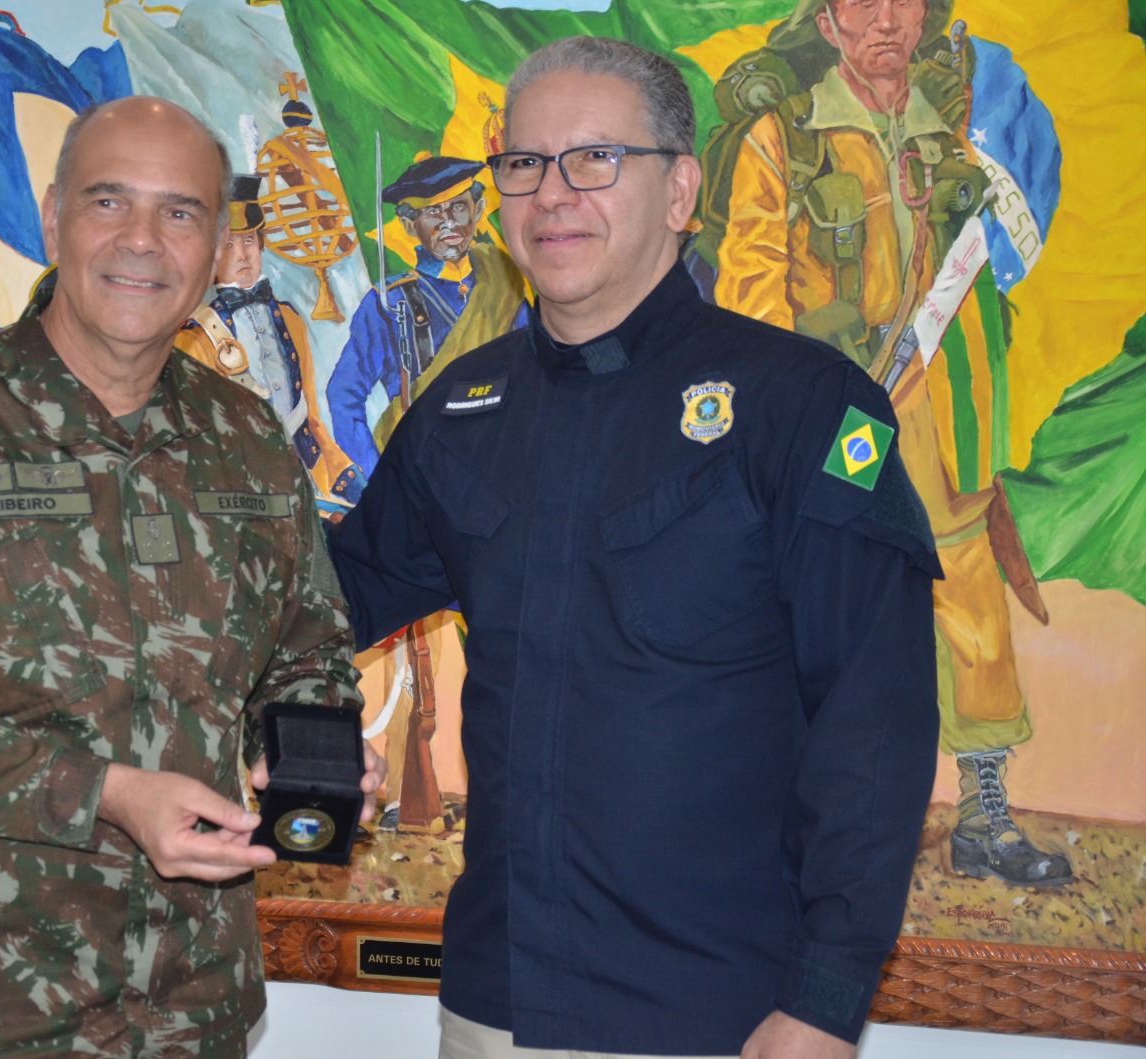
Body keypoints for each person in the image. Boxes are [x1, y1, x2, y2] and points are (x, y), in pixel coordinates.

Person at [328, 37, 941, 1058]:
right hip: (490, 1002)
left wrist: (827, 998)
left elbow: (874, 715)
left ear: (681, 191)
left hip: (712, 1015)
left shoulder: (803, 405)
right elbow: (326, 598)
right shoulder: (461, 412)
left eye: (596, 158)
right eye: (524, 163)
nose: (552, 193)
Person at [0, 96, 381, 1059]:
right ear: (54, 215)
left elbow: (305, 656)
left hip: (190, 1003)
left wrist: (312, 746)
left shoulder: (248, 439)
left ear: (217, 245)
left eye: (180, 211)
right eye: (110, 201)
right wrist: (106, 791)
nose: (142, 239)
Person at [713, 0, 1070, 887]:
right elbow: (749, 299)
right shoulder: (784, 139)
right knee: (832, 598)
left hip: (943, 413)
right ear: (826, 22)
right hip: (845, 420)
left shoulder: (954, 135)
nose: (885, 21)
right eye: (860, 4)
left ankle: (984, 813)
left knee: (973, 601)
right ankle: (821, 813)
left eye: (903, 1)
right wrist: (786, 420)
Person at [325, 154, 528, 479]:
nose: (448, 222)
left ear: (477, 209)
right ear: (409, 225)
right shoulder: (388, 302)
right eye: (433, 212)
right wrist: (382, 479)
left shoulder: (503, 279)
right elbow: (343, 395)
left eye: (458, 206)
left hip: (509, 461)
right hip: (426, 469)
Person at [175, 174, 366, 506]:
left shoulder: (291, 320)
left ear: (261, 243)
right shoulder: (192, 341)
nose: (242, 255)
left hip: (309, 480)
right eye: (228, 245)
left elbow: (311, 423)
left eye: (249, 240)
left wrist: (348, 478)